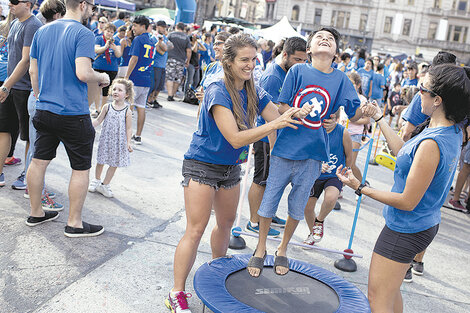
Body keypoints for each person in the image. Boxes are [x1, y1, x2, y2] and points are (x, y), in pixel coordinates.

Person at [166, 33, 305, 313]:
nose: (251, 65)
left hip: (231, 168)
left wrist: (303, 117)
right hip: (202, 164)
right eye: (244, 59)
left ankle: (216, 278)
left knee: (226, 225)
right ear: (228, 61)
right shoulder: (218, 90)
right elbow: (236, 138)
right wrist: (276, 123)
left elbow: (274, 116)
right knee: (195, 229)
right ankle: (176, 292)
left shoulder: (254, 89)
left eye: (254, 59)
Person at [337, 64, 470, 313]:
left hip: (406, 228)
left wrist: (360, 187)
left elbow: (407, 200)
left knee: (377, 298)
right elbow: (404, 152)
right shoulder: (450, 129)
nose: (417, 92)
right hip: (421, 223)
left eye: (422, 88)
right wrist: (379, 118)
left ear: (438, 99)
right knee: (389, 291)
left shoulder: (433, 142)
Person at [247, 27, 364, 278]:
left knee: (297, 206)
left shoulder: (341, 80)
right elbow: (282, 105)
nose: (325, 39)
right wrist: (294, 112)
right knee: (269, 202)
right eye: (319, 37)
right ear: (309, 49)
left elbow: (354, 114)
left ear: (336, 51)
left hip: (314, 154)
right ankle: (260, 248)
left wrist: (360, 115)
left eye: (331, 38)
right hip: (285, 148)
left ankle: (283, 248)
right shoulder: (298, 71)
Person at [27, 0, 109, 237]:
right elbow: (83, 73)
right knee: (80, 168)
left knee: (38, 161)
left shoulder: (42, 30)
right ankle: (74, 223)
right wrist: (101, 76)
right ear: (83, 5)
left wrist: (39, 95)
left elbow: (33, 71)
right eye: (93, 6)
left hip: (45, 108)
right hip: (72, 112)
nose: (93, 11)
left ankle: (36, 212)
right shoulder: (83, 33)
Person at [247, 36, 308, 238]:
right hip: (266, 137)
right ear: (285, 55)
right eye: (298, 60)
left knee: (271, 181)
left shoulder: (289, 73)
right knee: (261, 180)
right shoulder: (273, 76)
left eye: (304, 60)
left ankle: (267, 215)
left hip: (278, 136)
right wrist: (273, 146)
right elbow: (268, 115)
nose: (301, 64)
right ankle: (254, 221)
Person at [0, 0, 42, 190]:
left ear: (28, 3)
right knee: (4, 130)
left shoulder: (33, 25)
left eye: (15, 2)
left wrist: (6, 85)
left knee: (28, 137)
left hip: (24, 89)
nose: (11, 5)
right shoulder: (16, 23)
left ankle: (27, 175)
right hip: (11, 86)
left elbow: (26, 61)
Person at [303, 117, 352, 246]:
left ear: (335, 118)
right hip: (315, 173)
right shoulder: (313, 129)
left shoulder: (343, 132)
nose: (326, 122)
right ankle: (312, 233)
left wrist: (347, 173)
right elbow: (306, 151)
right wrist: (317, 164)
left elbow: (349, 156)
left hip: (334, 175)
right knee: (307, 207)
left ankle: (319, 221)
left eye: (330, 119)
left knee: (331, 197)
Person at [89, 78, 133, 198]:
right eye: (114, 89)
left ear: (126, 94)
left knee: (114, 164)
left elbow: (129, 128)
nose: (115, 91)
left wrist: (128, 143)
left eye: (120, 90)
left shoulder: (127, 111)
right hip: (106, 139)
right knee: (101, 160)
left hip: (119, 142)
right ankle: (96, 180)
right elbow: (98, 120)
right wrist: (87, 125)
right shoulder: (107, 107)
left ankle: (105, 185)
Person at [124, 15, 154, 145]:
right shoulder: (152, 41)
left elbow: (134, 59)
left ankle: (126, 134)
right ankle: (138, 136)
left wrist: (126, 76)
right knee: (141, 107)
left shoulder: (138, 40)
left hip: (135, 78)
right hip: (146, 78)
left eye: (135, 26)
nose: (133, 28)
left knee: (129, 106)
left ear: (143, 26)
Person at [345, 72, 371, 184]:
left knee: (351, 164)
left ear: (358, 85)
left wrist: (353, 119)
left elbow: (367, 120)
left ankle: (362, 185)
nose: (350, 86)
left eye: (352, 83)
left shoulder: (362, 100)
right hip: (342, 132)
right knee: (341, 162)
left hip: (355, 134)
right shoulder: (343, 97)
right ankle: (339, 187)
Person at [92, 22, 122, 114]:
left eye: (112, 32)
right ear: (104, 31)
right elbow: (96, 50)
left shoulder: (116, 41)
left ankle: (103, 109)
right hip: (99, 67)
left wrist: (115, 48)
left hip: (111, 69)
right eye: (108, 31)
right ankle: (97, 108)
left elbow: (118, 55)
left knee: (106, 90)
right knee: (97, 89)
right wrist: (105, 47)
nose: (109, 33)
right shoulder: (99, 39)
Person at [147, 20, 170, 108]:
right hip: (155, 64)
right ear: (158, 27)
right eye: (163, 27)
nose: (164, 29)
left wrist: (162, 45)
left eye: (165, 28)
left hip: (163, 64)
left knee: (160, 85)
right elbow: (161, 51)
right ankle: (149, 100)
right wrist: (160, 44)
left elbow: (167, 47)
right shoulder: (154, 37)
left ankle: (154, 99)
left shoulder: (164, 37)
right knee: (154, 85)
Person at [166, 22, 191, 102]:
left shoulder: (171, 35)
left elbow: (165, 44)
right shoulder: (186, 37)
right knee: (177, 78)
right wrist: (188, 61)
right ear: (183, 28)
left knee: (170, 77)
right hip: (181, 60)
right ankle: (172, 94)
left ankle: (169, 95)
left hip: (170, 58)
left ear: (176, 27)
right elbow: (189, 51)